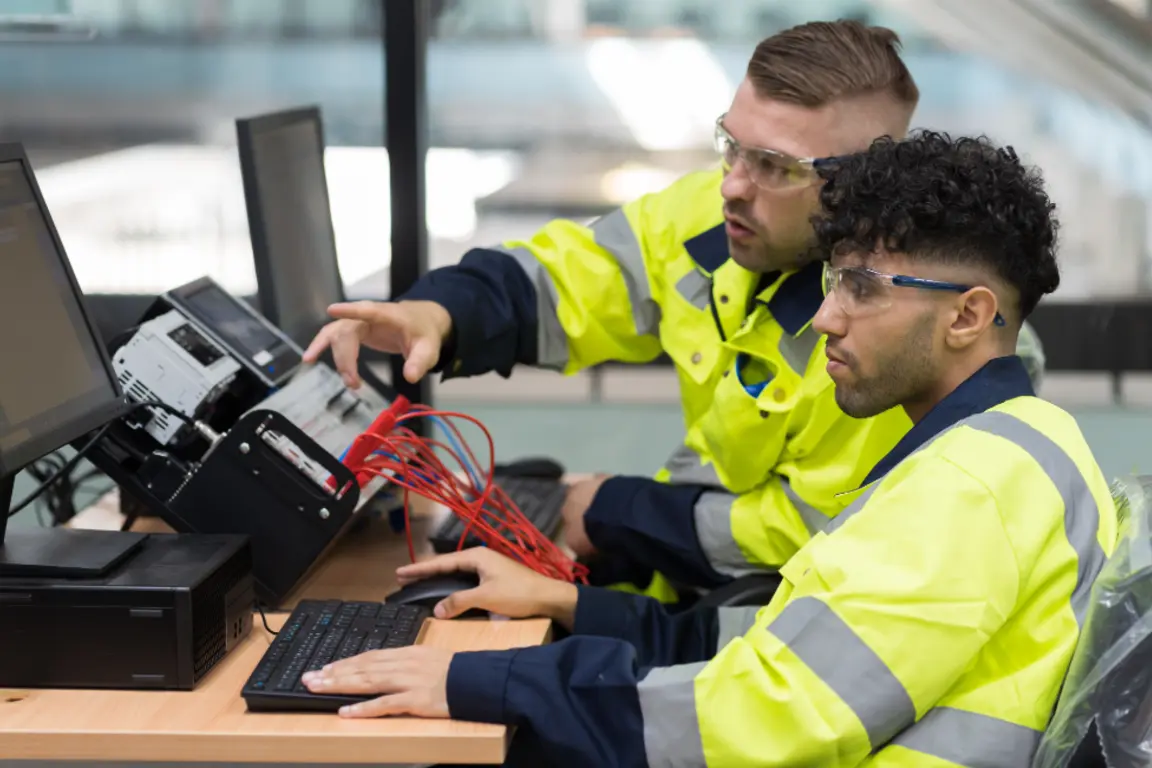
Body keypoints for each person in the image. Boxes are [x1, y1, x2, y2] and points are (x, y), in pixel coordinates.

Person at [301, 131, 1113, 767]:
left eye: (863, 289)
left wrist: (484, 680)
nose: (825, 318)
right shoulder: (1009, 445)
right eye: (834, 281)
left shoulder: (967, 488)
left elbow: (764, 717)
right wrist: (572, 609)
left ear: (968, 316)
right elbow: (785, 656)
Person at [305, 21, 1047, 601]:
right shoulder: (719, 219)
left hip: (762, 618)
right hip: (690, 581)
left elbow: (805, 537)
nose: (732, 185)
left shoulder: (894, 341)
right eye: (732, 145)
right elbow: (576, 279)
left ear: (861, 183)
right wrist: (440, 313)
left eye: (774, 166)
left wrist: (612, 513)